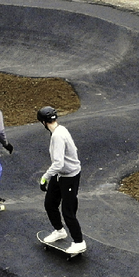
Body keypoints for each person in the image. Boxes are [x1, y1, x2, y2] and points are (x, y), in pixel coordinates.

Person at [37, 105, 85, 256]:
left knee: (68, 211)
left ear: (43, 122)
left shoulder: (58, 135)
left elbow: (58, 163)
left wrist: (45, 177)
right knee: (50, 203)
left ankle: (79, 242)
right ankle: (59, 231)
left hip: (69, 176)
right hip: (61, 175)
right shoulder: (61, 130)